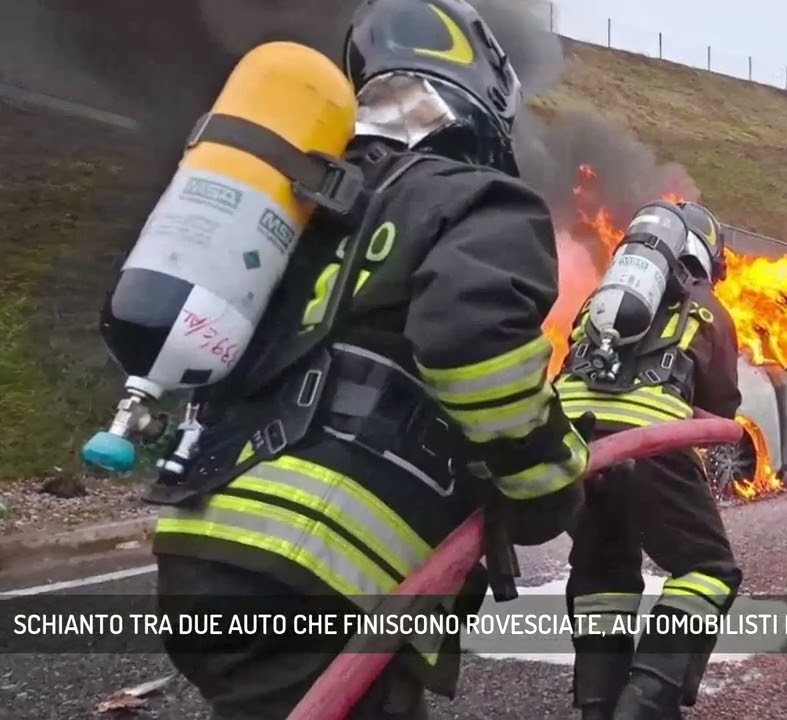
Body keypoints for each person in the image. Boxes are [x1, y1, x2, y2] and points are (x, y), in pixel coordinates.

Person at [146, 1, 589, 718]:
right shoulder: (479, 200)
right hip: (319, 570)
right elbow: (473, 346)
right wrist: (545, 475)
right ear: (481, 90)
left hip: (200, 543)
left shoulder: (299, 200)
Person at [555, 201, 744, 720]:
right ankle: (646, 700)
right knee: (708, 571)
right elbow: (723, 403)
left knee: (604, 568)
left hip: (577, 445)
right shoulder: (707, 308)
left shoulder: (599, 300)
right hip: (653, 443)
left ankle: (599, 704)